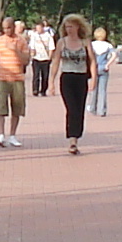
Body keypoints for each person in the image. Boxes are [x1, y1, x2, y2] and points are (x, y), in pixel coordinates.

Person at [51, 14, 94, 154]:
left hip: (81, 78)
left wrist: (94, 78)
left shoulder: (85, 42)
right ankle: (71, 140)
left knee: (79, 109)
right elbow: (56, 61)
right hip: (67, 78)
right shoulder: (62, 42)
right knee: (72, 108)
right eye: (66, 26)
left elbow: (92, 61)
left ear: (78, 27)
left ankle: (76, 138)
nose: (69, 29)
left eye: (71, 26)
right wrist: (51, 82)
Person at [0, 16, 29, 147]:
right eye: (4, 28)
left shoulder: (21, 41)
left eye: (9, 28)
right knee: (1, 107)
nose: (7, 30)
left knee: (17, 108)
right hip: (1, 78)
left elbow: (26, 61)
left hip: (17, 78)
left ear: (14, 27)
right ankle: (1, 134)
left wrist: (16, 50)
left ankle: (12, 135)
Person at [90, 24, 115, 116]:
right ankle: (102, 110)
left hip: (94, 68)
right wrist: (108, 64)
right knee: (102, 90)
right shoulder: (108, 45)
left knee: (94, 88)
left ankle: (92, 107)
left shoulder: (92, 44)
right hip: (104, 67)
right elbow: (114, 55)